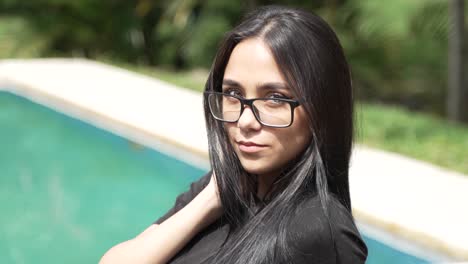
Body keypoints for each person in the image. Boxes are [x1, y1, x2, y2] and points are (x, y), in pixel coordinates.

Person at [100, 5, 368, 264]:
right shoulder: (218, 190)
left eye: (275, 98)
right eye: (233, 94)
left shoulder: (321, 235)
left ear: (322, 109)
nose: (245, 120)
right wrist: (207, 202)